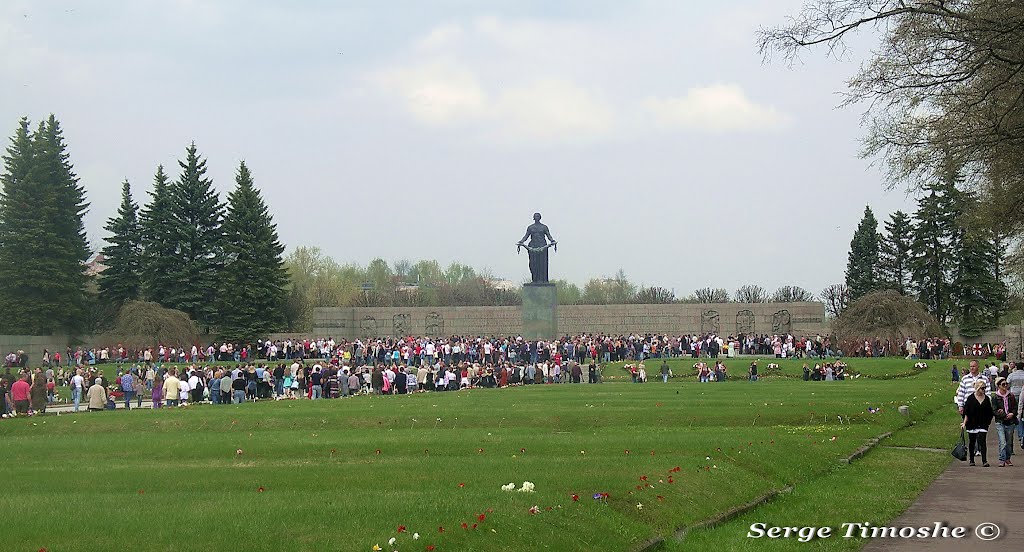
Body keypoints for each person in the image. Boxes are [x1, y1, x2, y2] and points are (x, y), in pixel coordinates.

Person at [963, 379, 994, 466]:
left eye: (985, 388)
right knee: (972, 442)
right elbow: (967, 412)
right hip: (972, 424)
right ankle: (972, 460)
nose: (983, 390)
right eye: (982, 388)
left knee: (982, 441)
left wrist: (988, 422)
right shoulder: (970, 398)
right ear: (978, 388)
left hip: (983, 423)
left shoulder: (986, 399)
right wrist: (964, 422)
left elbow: (989, 411)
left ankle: (984, 460)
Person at [991, 377, 1018, 467]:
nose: (1005, 386)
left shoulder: (1011, 396)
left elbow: (1015, 408)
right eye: (1003, 384)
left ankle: (1008, 458)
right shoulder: (995, 397)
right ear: (998, 386)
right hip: (1000, 421)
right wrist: (1003, 415)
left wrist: (1012, 414)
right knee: (1002, 441)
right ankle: (1002, 459)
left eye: (1006, 384)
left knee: (1009, 442)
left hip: (1010, 422)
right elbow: (994, 410)